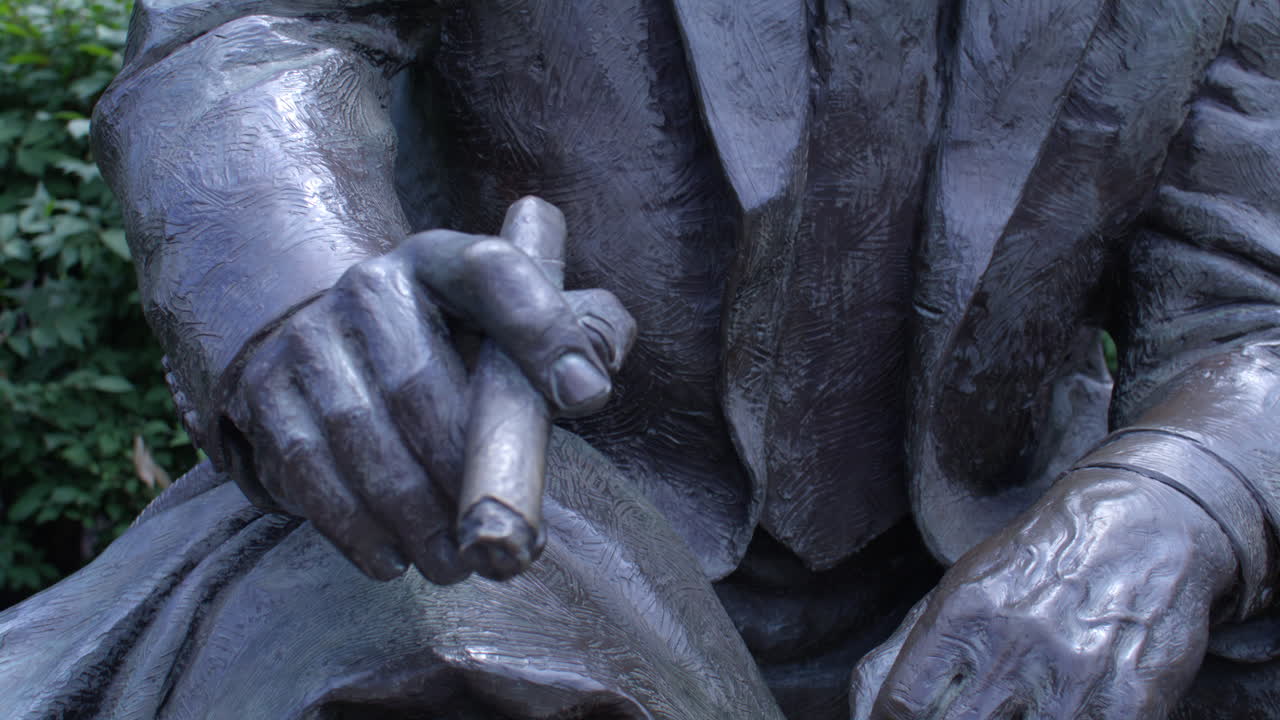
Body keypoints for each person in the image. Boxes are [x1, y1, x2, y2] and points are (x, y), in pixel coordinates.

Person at [3, 0, 1280, 717]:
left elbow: (1249, 307)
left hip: (1010, 591)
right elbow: (251, 36)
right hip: (533, 526)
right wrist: (300, 285)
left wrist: (1169, 508)